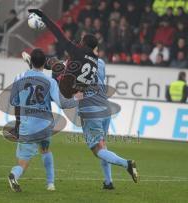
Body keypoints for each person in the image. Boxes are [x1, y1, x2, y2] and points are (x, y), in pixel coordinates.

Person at [28, 9, 139, 189]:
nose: (77, 43)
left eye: (80, 42)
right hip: (105, 108)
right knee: (103, 147)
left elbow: (64, 68)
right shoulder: (99, 63)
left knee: (98, 149)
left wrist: (46, 66)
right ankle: (108, 182)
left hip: (90, 110)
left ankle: (127, 164)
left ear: (84, 44)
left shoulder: (76, 57)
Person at [8, 48, 83, 192]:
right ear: (45, 64)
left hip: (27, 126)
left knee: (23, 162)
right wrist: (77, 98)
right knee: (46, 150)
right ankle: (50, 184)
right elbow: (62, 104)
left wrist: (17, 125)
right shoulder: (50, 81)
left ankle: (14, 174)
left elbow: (14, 102)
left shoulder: (19, 78)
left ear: (31, 62)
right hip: (44, 125)